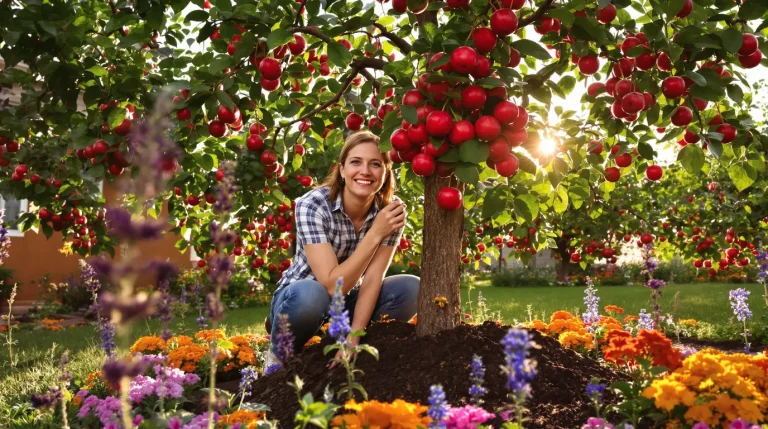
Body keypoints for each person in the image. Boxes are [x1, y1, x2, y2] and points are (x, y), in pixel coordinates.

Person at [265, 131, 420, 370]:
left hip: (350, 302)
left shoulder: (391, 212)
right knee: (311, 295)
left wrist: (355, 334)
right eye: (356, 162)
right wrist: (375, 233)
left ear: (386, 172)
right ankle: (279, 355)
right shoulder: (312, 204)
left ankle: (349, 351)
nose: (365, 171)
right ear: (342, 169)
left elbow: (373, 278)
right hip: (303, 296)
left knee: (411, 288)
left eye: (375, 164)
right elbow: (330, 286)